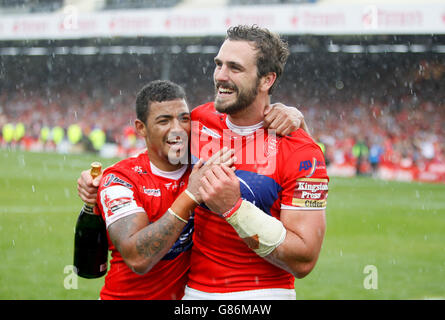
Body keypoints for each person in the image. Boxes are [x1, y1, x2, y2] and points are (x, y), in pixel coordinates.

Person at [77, 79, 306, 300]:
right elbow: (138, 258)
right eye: (164, 121)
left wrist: (293, 116)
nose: (177, 130)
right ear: (141, 128)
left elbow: (287, 154)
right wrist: (190, 195)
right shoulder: (120, 180)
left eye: (184, 119)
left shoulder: (204, 163)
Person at [182, 25, 329, 299]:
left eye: (235, 68)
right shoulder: (199, 120)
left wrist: (233, 208)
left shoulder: (301, 151)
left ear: (266, 80)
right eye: (218, 64)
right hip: (191, 293)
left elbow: (304, 258)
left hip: (262, 295)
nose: (220, 76)